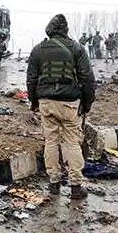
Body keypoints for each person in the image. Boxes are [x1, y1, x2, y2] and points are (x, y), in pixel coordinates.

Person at [26, 14, 96, 199]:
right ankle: (75, 186)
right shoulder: (76, 48)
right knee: (72, 142)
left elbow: (31, 79)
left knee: (51, 141)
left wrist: (33, 101)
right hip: (70, 102)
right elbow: (87, 79)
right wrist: (87, 104)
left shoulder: (38, 49)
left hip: (46, 102)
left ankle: (54, 183)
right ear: (66, 30)